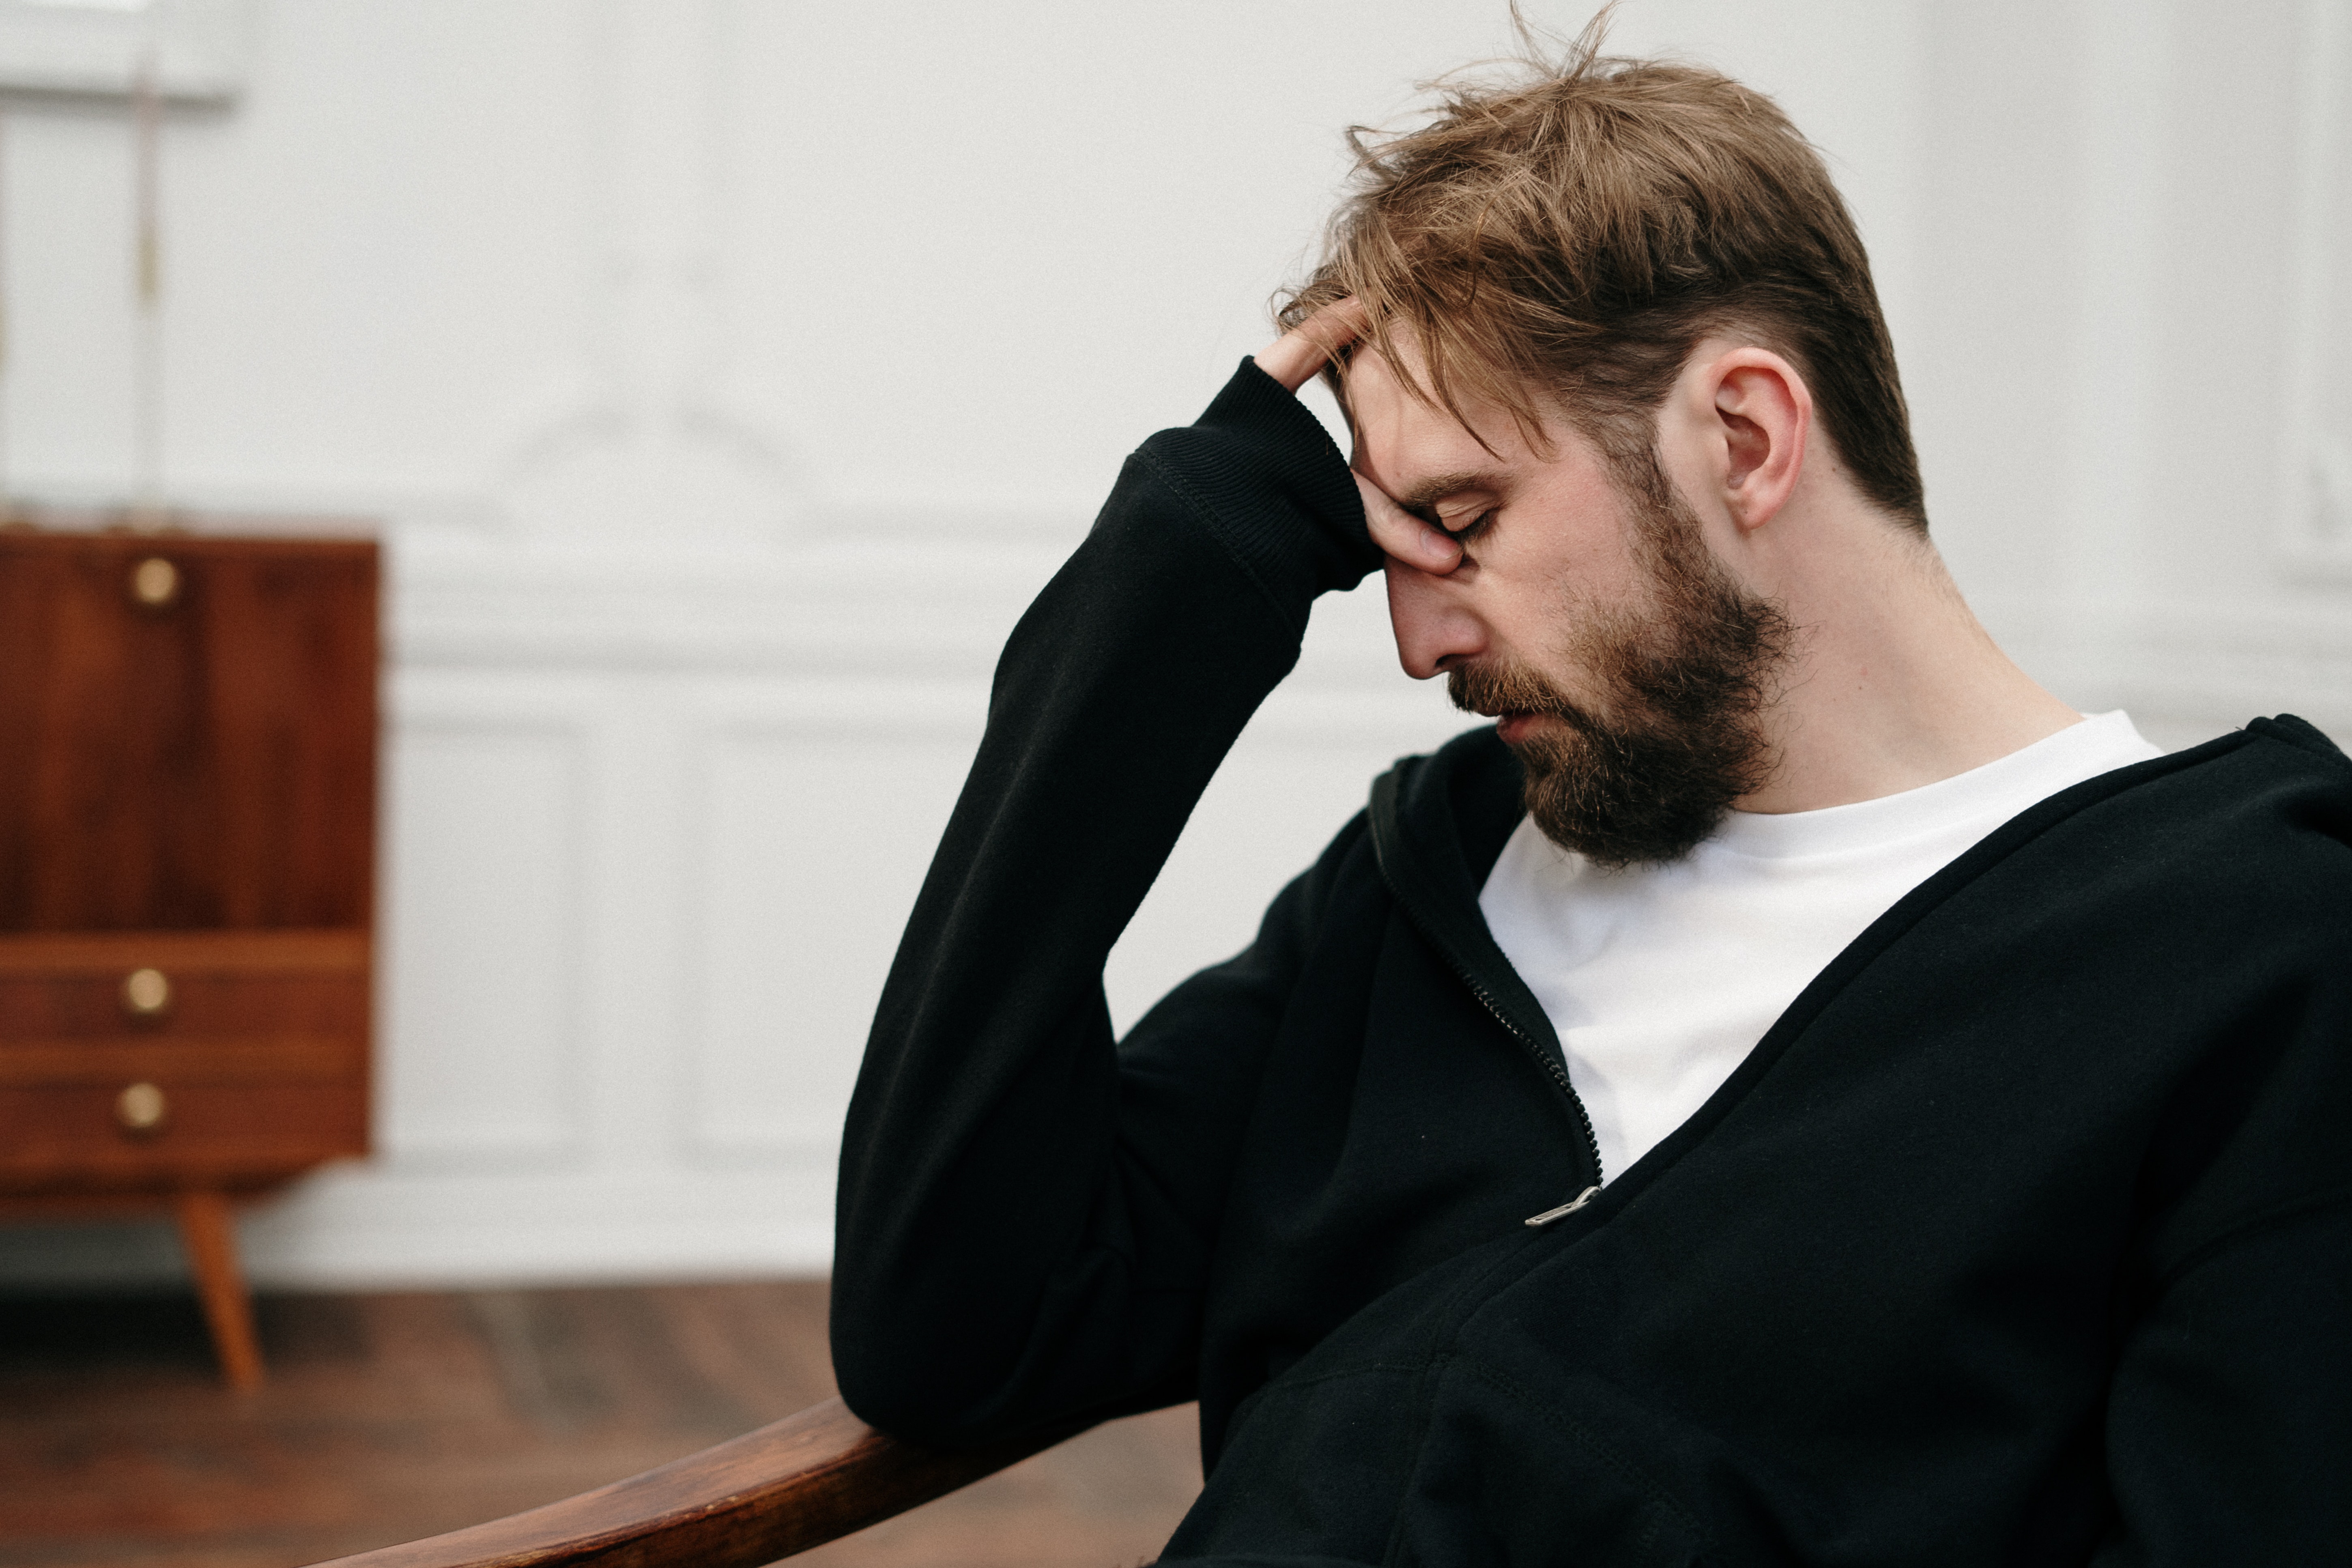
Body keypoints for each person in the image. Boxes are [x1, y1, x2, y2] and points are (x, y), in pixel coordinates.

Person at [829, 23, 2352, 1566]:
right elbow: (949, 1328)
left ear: (1742, 436)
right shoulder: (1436, 878)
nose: (1417, 638)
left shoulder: (2249, 957)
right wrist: (1166, 591)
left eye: (1461, 518)